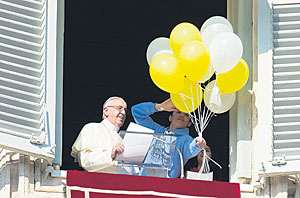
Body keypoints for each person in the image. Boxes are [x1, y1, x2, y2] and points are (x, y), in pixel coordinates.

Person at [131, 98, 207, 178]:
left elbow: (192, 146)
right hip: (143, 181)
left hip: (165, 186)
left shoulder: (185, 140)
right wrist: (160, 107)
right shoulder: (158, 131)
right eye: (178, 112)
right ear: (170, 118)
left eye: (186, 115)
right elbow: (137, 112)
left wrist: (198, 143)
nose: (182, 115)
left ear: (189, 123)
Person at [71, 96, 127, 173]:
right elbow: (85, 161)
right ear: (106, 111)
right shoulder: (92, 128)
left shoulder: (123, 138)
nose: (123, 113)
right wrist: (111, 155)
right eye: (119, 108)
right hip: (98, 182)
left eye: (125, 110)